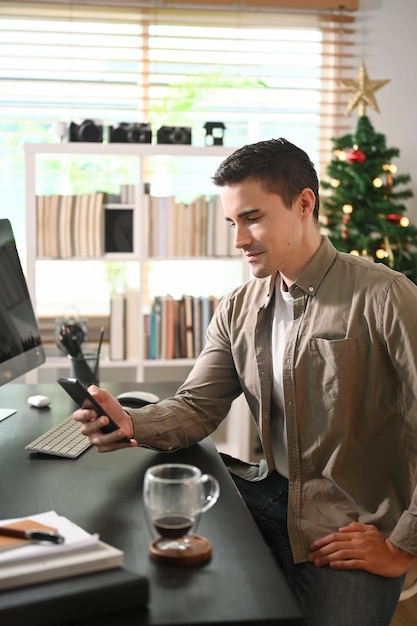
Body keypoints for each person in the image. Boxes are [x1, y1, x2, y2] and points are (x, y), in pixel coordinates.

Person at [73, 138, 417, 626]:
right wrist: (130, 422)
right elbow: (196, 406)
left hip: (347, 524)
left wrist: (403, 547)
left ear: (303, 204)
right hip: (267, 493)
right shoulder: (238, 306)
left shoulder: (384, 296)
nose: (239, 239)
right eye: (233, 222)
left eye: (252, 217)